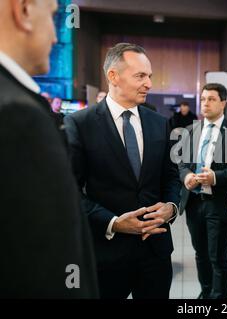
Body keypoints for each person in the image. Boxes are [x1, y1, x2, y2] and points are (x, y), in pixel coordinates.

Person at [64, 43, 181, 299]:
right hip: (106, 254)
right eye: (140, 76)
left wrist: (171, 207)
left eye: (149, 76)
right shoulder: (80, 123)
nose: (149, 83)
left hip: (155, 253)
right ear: (113, 76)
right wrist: (114, 222)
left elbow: (172, 176)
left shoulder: (160, 124)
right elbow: (70, 192)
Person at [0, 0, 98, 298]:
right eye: (53, 17)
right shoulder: (17, 114)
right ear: (25, 10)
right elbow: (46, 261)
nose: (56, 38)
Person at [178, 83, 227, 299]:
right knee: (200, 254)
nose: (206, 103)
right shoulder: (190, 131)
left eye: (212, 99)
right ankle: (205, 293)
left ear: (224, 102)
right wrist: (186, 176)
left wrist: (216, 177)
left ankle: (219, 298)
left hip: (219, 203)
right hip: (194, 203)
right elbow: (182, 164)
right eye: (203, 98)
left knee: (218, 257)